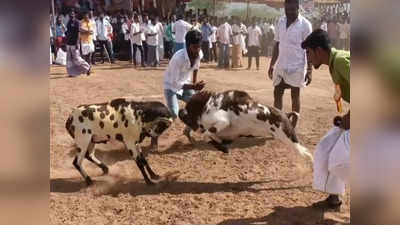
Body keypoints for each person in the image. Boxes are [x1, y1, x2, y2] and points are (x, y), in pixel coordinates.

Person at [301, 29, 350, 210]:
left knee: (340, 159)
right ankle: (333, 199)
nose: (308, 58)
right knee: (325, 148)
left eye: (309, 53)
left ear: (319, 51)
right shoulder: (334, 64)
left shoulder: (340, 61)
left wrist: (352, 117)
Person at [267, 0, 313, 128]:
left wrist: (309, 70)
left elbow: (309, 49)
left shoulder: (305, 25)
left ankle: (293, 126)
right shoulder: (280, 22)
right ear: (285, 8)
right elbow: (277, 43)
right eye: (287, 10)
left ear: (298, 8)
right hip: (281, 64)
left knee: (295, 95)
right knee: (277, 92)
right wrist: (272, 64)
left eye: (293, 10)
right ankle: (277, 123)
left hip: (297, 66)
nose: (290, 12)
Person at [163, 30, 205, 142]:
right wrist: (193, 87)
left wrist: (194, 85)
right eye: (195, 47)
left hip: (186, 84)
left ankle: (187, 131)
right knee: (173, 113)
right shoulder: (178, 58)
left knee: (198, 107)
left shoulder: (199, 54)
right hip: (171, 86)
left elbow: (196, 68)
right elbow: (176, 83)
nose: (198, 50)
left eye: (199, 47)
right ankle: (154, 134)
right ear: (188, 45)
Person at [65, 10, 91, 76]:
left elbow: (79, 33)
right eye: (70, 14)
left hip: (74, 43)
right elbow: (67, 33)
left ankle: (87, 68)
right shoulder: (68, 22)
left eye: (72, 14)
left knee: (77, 58)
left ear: (75, 15)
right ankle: (72, 73)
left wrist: (77, 43)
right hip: (68, 43)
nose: (71, 15)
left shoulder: (77, 22)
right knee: (69, 60)